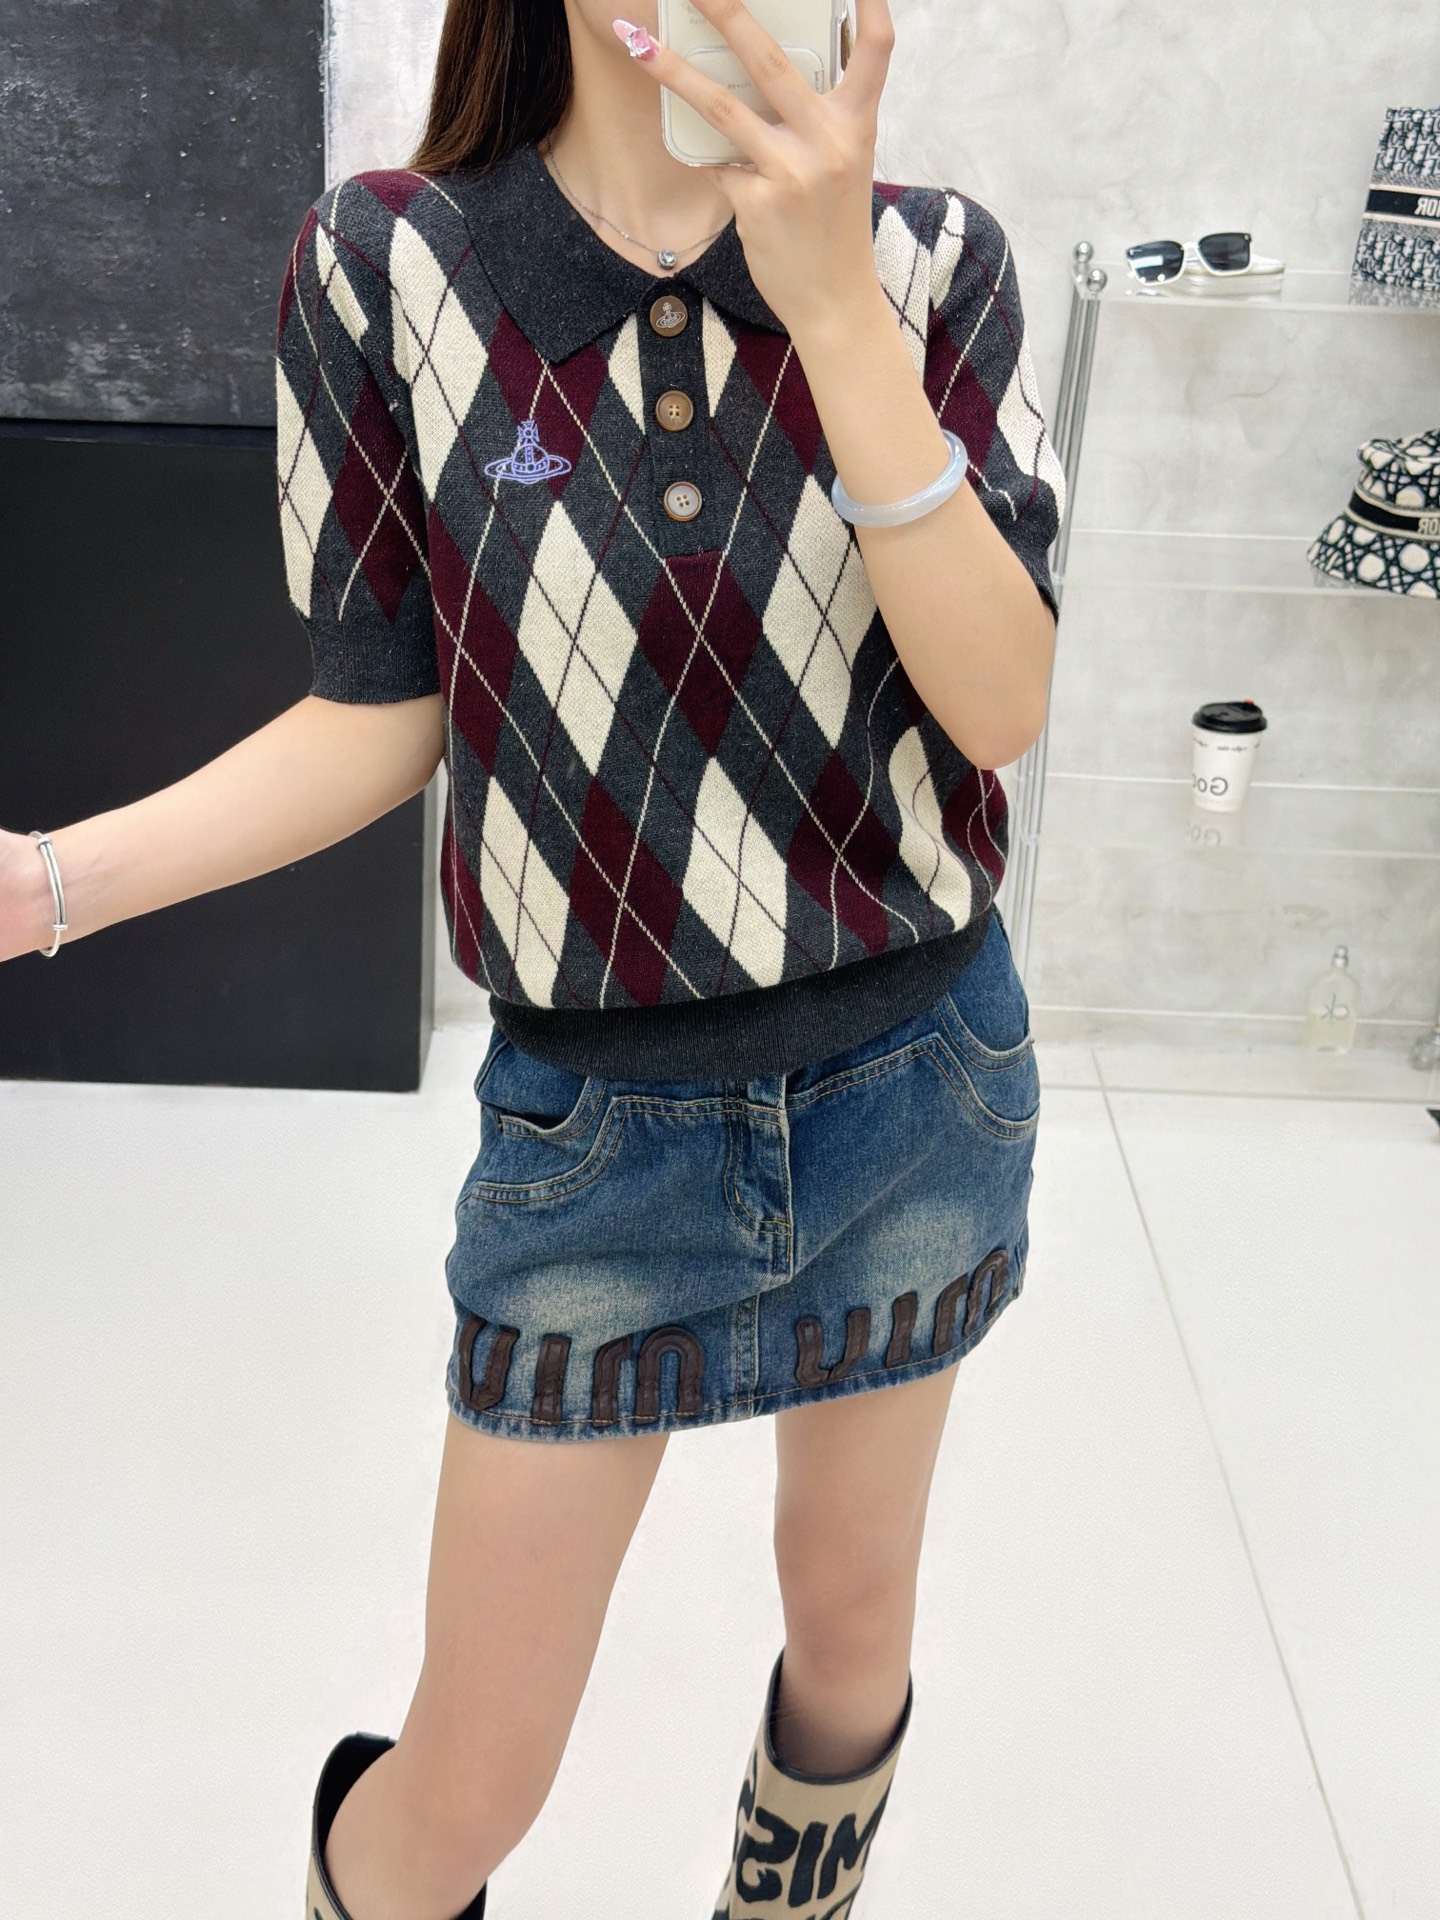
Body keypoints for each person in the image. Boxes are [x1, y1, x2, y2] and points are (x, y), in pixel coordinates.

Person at [0, 2, 1067, 1916]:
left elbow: (998, 706)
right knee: (474, 1778)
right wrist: (48, 886)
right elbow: (380, 715)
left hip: (919, 1091)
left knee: (851, 1640)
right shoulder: (383, 267)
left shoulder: (936, 264)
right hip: (598, 1141)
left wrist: (835, 307)